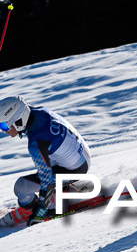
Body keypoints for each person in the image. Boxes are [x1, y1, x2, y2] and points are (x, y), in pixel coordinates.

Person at [0, 96, 92, 226]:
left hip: (75, 169)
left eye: (4, 125)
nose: (4, 131)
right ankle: (62, 190)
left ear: (18, 120)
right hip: (82, 154)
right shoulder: (37, 112)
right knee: (48, 158)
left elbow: (46, 180)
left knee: (21, 186)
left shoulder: (36, 142)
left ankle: (30, 209)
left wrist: (40, 212)